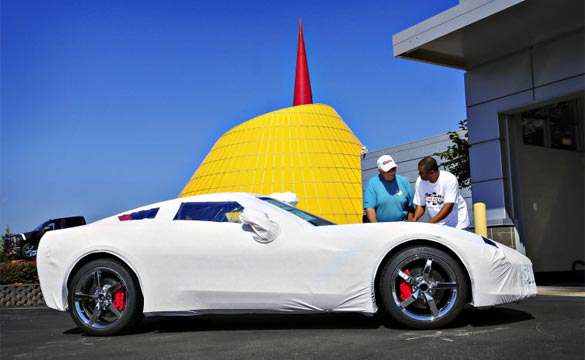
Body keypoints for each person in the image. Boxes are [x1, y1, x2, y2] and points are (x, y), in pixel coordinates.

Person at [412, 156, 470, 229]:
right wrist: (414, 220)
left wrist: (428, 224)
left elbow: (448, 207)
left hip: (457, 225)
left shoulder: (449, 179)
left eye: (421, 173)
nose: (419, 174)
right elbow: (420, 205)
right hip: (437, 224)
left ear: (431, 172)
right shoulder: (420, 181)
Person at [364, 155, 414, 222]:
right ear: (380, 171)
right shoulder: (372, 184)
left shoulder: (403, 181)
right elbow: (370, 209)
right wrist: (376, 229)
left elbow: (412, 206)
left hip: (402, 225)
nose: (392, 172)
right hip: (380, 227)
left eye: (393, 168)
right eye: (388, 170)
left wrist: (410, 225)